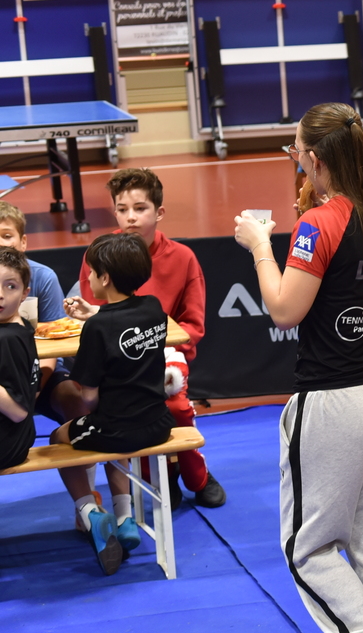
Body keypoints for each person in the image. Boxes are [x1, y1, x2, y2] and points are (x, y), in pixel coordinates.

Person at [232, 102, 363, 633]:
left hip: (335, 403)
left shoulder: (320, 223)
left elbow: (285, 310)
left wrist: (260, 246)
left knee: (306, 548)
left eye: (295, 150)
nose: (294, 158)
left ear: (313, 158)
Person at [79, 168, 223, 508]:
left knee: (175, 407)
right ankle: (162, 477)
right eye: (122, 209)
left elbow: (193, 326)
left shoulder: (184, 258)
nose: (130, 217)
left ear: (159, 212)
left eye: (140, 208)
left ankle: (197, 476)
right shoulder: (98, 254)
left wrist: (154, 345)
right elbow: (95, 319)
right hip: (118, 365)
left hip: (168, 358)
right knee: (132, 413)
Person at [50, 234, 174, 575]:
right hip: (159, 423)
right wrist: (94, 314)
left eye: (92, 272)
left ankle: (90, 513)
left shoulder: (97, 328)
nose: (88, 277)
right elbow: (122, 321)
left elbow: (88, 397)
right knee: (108, 428)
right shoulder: (153, 307)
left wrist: (94, 320)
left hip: (118, 430)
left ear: (105, 278)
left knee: (58, 439)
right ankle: (124, 516)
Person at [0, 247, 38, 473]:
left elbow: (18, 411)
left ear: (25, 293)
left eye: (10, 286)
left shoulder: (7, 339)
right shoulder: (23, 326)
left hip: (8, 442)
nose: (0, 294)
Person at [0, 201, 66, 324]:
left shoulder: (44, 277)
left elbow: (56, 329)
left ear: (23, 242)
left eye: (7, 236)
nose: (1, 243)